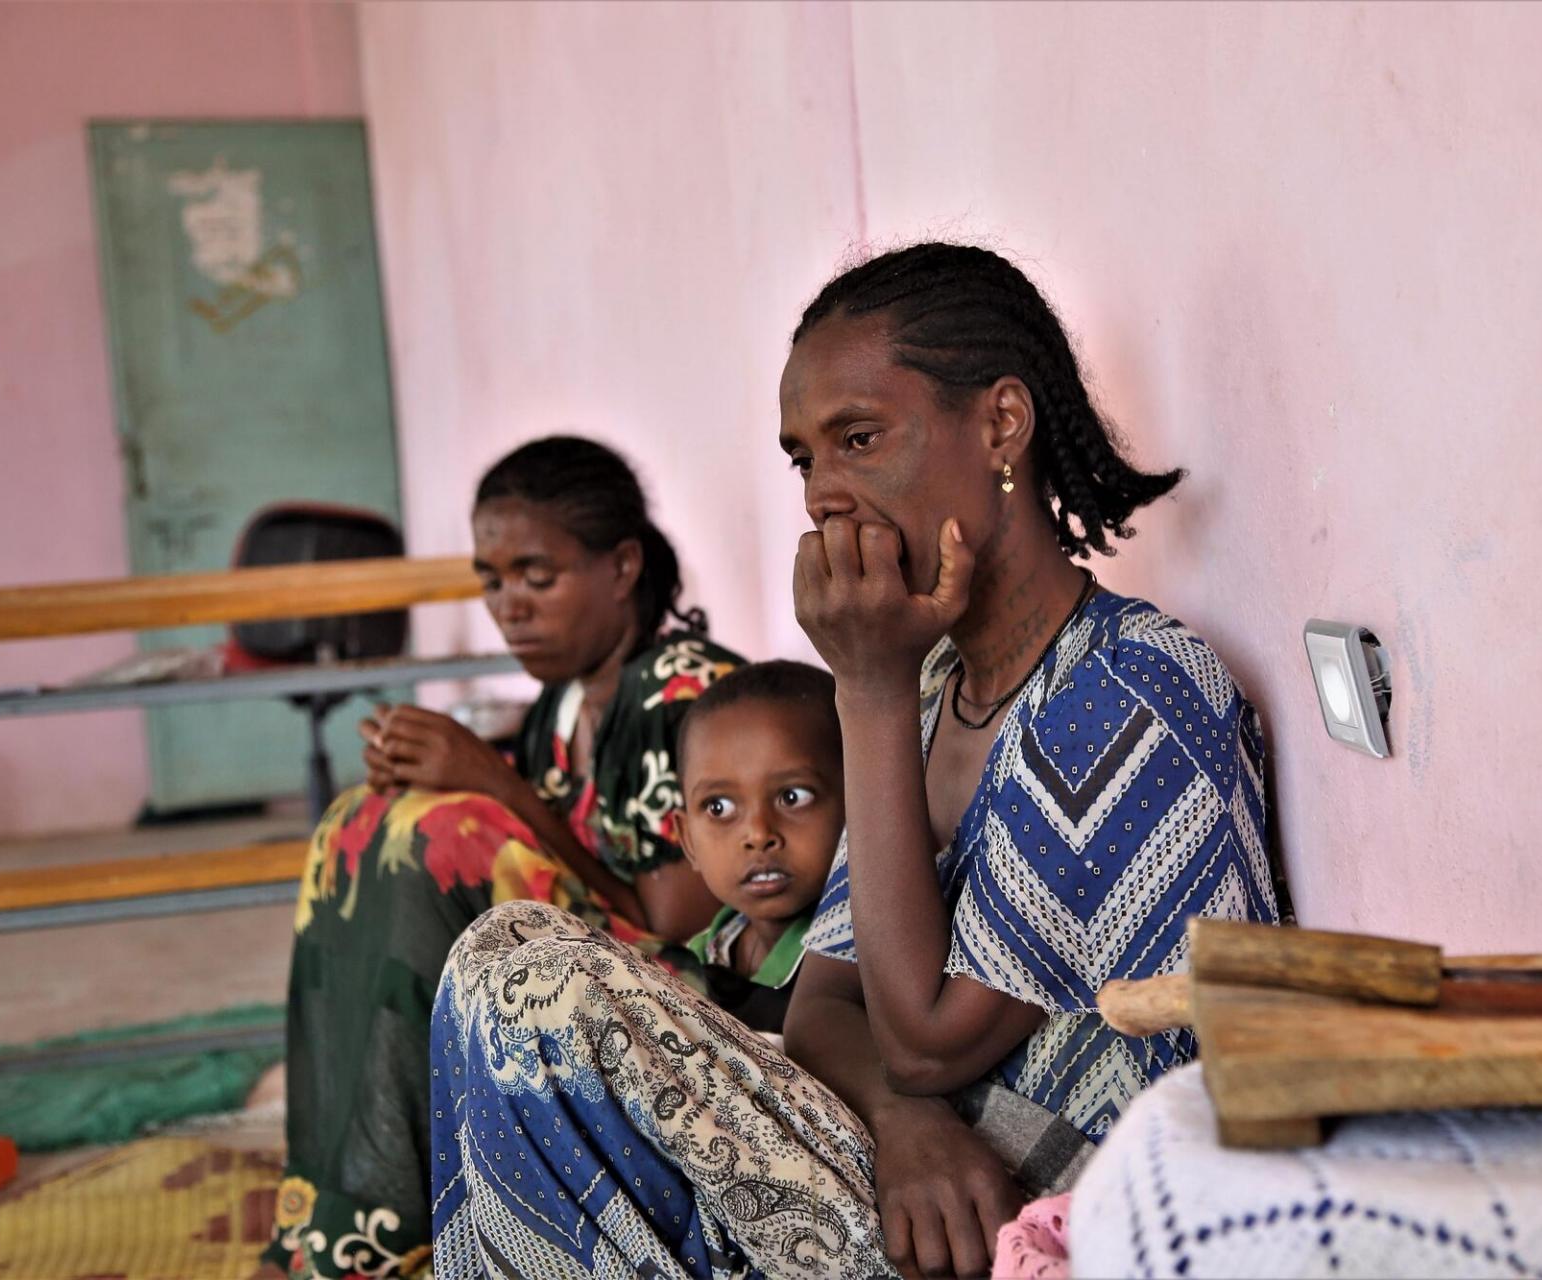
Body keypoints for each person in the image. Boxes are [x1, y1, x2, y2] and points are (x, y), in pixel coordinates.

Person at [429, 243, 1282, 1280]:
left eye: (860, 439)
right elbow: (826, 1002)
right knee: (506, 963)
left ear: (1001, 424)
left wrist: (864, 687)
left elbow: (925, 1035)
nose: (824, 495)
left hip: (1049, 1209)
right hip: (918, 1165)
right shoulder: (932, 693)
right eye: (805, 459)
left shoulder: (1128, 690)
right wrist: (900, 1116)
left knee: (530, 979)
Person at [265, 436, 745, 1280]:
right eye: (492, 580)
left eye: (537, 575)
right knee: (362, 825)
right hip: (574, 965)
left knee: (438, 841)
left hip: (688, 996)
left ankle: (380, 1227)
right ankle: (336, 1210)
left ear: (622, 567)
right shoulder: (562, 704)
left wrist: (493, 785)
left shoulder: (680, 692)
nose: (508, 606)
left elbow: (676, 915)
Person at [673, 660, 846, 1033]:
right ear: (687, 838)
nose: (757, 833)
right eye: (719, 807)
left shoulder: (857, 957)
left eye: (793, 796)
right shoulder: (701, 955)